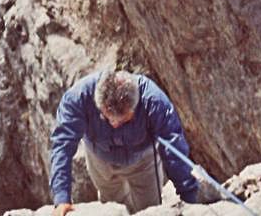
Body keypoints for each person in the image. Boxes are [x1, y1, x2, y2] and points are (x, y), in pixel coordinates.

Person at [50, 68, 198, 215]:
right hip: (100, 161)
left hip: (143, 162)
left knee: (150, 207)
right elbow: (62, 145)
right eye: (108, 118)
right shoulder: (79, 97)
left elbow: (173, 146)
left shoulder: (153, 101)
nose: (114, 123)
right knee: (113, 207)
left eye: (123, 120)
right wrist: (61, 197)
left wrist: (188, 197)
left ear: (136, 105)